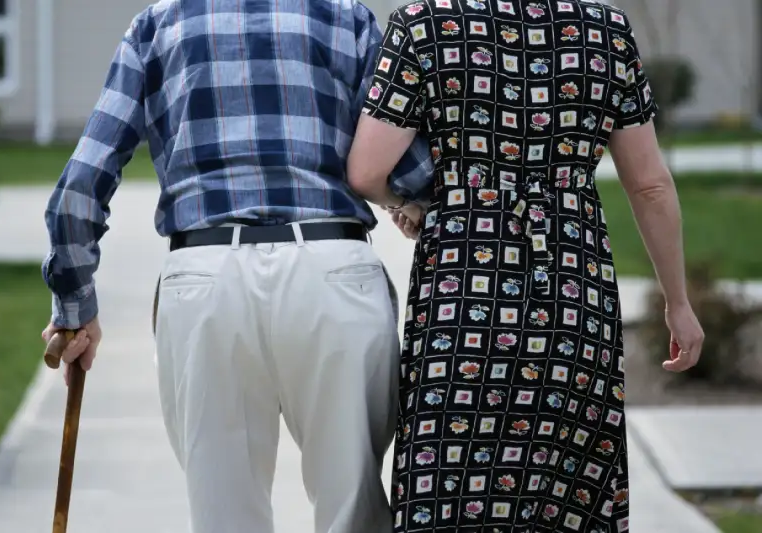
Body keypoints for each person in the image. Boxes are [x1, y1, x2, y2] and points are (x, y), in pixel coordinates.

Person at [39, 1, 435, 532]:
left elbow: (79, 189)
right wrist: (410, 202)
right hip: (332, 269)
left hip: (204, 278)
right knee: (355, 513)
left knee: (224, 520)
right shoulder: (349, 19)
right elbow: (411, 167)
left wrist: (74, 306)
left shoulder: (158, 25)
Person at [346, 1, 705, 531]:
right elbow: (650, 184)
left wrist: (413, 205)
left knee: (453, 479)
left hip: (463, 295)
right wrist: (678, 303)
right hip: (573, 292)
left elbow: (366, 170)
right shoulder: (605, 30)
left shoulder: (426, 23)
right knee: (566, 491)